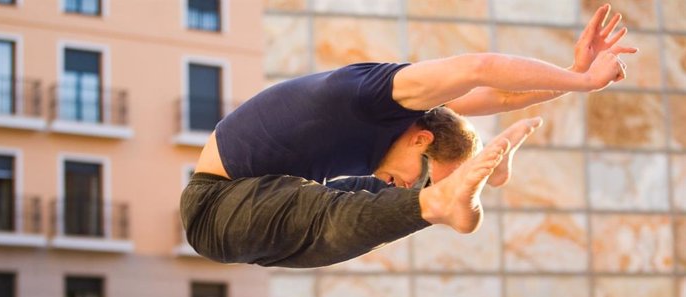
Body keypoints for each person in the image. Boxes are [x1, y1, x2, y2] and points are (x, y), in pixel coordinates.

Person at [180, 4, 636, 269]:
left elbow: (492, 94)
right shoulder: (379, 96)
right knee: (338, 211)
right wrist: (585, 82)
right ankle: (442, 203)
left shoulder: (407, 129)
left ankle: (448, 200)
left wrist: (570, 75)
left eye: (429, 182)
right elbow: (476, 69)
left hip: (257, 205)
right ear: (420, 141)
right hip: (216, 203)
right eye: (426, 176)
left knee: (377, 204)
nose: (408, 180)